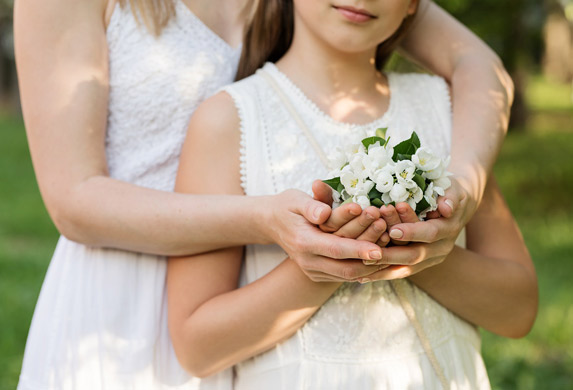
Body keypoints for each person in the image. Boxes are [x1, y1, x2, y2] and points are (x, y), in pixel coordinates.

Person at [15, 0, 514, 388]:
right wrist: (271, 222)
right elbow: (73, 200)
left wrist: (461, 190)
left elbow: (479, 66)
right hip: (121, 300)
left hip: (253, 297)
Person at [167, 0, 538, 388]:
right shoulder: (230, 121)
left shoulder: (450, 111)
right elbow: (197, 348)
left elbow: (518, 309)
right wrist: (333, 258)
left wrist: (418, 246)